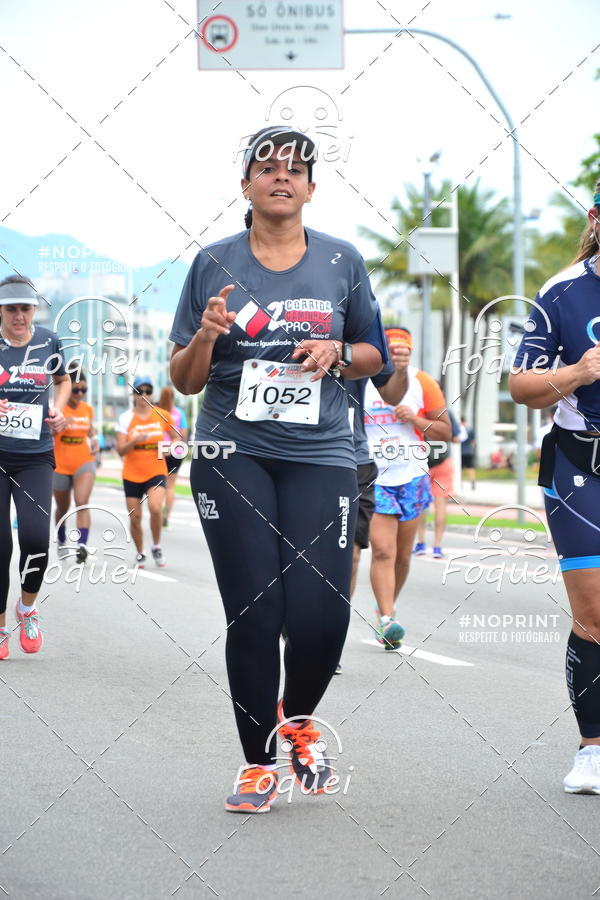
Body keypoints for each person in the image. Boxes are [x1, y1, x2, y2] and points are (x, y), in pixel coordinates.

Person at [170, 125, 387, 813]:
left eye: (296, 168)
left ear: (312, 188)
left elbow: (375, 355)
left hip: (320, 454)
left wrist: (338, 353)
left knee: (323, 617)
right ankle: (257, 761)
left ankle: (296, 718)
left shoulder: (341, 261)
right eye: (267, 167)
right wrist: (207, 333)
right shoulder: (213, 262)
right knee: (257, 612)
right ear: (246, 185)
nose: (281, 176)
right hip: (232, 454)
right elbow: (183, 379)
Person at [509, 179, 600, 794]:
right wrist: (576, 372)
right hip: (580, 467)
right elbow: (520, 384)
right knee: (595, 615)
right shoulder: (562, 292)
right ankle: (593, 750)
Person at [366, 327, 451, 649]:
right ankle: (387, 620)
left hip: (412, 475)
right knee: (383, 550)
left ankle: (387, 606)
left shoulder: (422, 381)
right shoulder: (362, 380)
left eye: (402, 350)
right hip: (374, 477)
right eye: (390, 349)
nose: (396, 354)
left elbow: (445, 430)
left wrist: (416, 419)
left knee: (402, 555)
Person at [0, 276, 69, 659]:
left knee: (35, 541)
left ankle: (27, 607)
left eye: (25, 309)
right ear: (1, 311)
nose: (19, 317)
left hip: (36, 457)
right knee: (0, 546)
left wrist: (58, 409)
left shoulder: (48, 341)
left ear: (34, 310)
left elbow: (62, 380)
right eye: (11, 309)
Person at [337, 337, 412, 671]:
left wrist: (400, 370)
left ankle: (330, 638)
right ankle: (297, 627)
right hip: (300, 458)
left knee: (353, 555)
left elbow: (392, 391)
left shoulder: (364, 345)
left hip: (360, 463)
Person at [115, 375, 177, 568]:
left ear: (152, 394)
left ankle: (156, 546)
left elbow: (177, 438)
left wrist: (171, 447)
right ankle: (140, 552)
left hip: (156, 468)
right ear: (133, 394)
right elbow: (120, 450)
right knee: (135, 516)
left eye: (148, 391)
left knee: (156, 508)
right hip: (132, 472)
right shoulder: (125, 418)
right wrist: (135, 440)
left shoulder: (162, 414)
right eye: (139, 391)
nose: (144, 395)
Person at [53, 368, 98, 563]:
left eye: (83, 390)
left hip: (83, 460)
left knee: (82, 501)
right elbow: (48, 437)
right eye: (76, 390)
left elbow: (90, 430)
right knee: (62, 508)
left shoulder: (87, 409)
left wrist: (95, 439)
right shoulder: (58, 408)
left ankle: (82, 546)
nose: (80, 394)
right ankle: (62, 540)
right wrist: (60, 425)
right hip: (60, 462)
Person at [414, 405, 461, 559]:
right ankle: (437, 546)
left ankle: (420, 543)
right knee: (440, 504)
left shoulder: (417, 411)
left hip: (420, 462)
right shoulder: (445, 412)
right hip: (442, 462)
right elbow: (456, 438)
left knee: (420, 504)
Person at [157, 385, 189, 528]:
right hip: (176, 450)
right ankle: (167, 516)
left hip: (159, 450)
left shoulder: (156, 412)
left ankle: (157, 512)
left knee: (158, 484)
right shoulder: (179, 413)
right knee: (171, 486)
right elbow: (184, 434)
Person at [459, 416, 476, 488]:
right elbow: (474, 442)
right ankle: (472, 482)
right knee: (471, 467)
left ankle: (461, 483)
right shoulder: (470, 430)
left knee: (461, 468)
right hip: (469, 451)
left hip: (460, 452)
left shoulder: (459, 430)